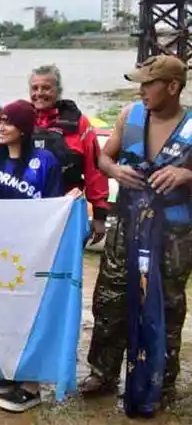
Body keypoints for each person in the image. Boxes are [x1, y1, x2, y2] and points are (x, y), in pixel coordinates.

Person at [82, 55, 192, 412]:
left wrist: (187, 175)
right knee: (110, 297)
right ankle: (102, 371)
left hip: (173, 231)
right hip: (126, 223)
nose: (141, 90)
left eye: (148, 83)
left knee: (168, 303)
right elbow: (103, 157)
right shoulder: (130, 116)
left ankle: (163, 379)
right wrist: (115, 170)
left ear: (172, 87)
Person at [0, 99, 65, 413]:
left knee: (33, 312)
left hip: (37, 250)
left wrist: (73, 202)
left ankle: (32, 385)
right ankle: (10, 372)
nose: (0, 127)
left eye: (7, 123)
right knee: (5, 309)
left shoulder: (46, 160)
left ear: (23, 128)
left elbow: (53, 207)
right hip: (4, 250)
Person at [29, 64, 110, 245]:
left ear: (58, 90)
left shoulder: (78, 123)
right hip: (27, 208)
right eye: (35, 88)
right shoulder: (20, 119)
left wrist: (99, 215)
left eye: (46, 88)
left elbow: (94, 169)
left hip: (66, 208)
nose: (39, 93)